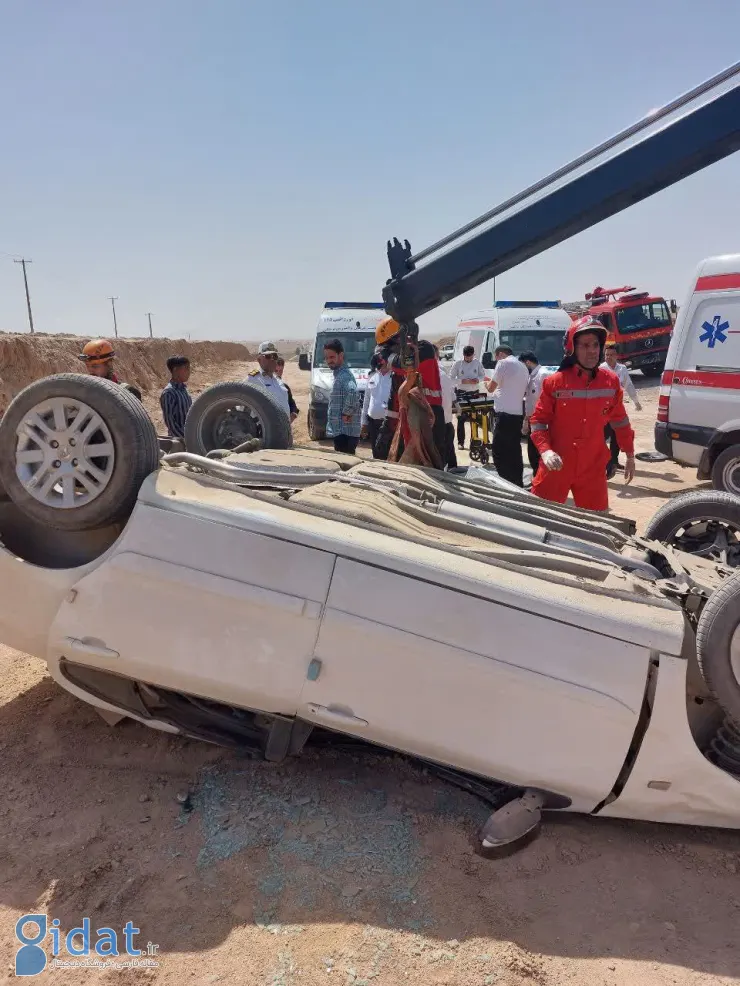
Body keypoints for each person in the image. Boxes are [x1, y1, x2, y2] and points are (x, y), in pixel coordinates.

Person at [530, 319, 635, 511]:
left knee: (597, 524)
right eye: (585, 345)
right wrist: (546, 451)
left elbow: (620, 421)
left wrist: (629, 454)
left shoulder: (611, 382)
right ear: (572, 348)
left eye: (596, 345)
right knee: (540, 519)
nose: (593, 351)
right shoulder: (554, 383)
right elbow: (538, 422)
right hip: (556, 465)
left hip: (592, 468)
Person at [486, 345, 529, 486]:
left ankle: (505, 482)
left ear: (500, 354)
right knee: (514, 451)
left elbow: (491, 387)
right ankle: (517, 482)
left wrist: (486, 383)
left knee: (498, 451)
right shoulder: (523, 367)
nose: (496, 360)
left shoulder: (503, 363)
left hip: (504, 415)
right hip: (517, 415)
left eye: (496, 357)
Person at [601, 342, 643, 479]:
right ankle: (606, 462)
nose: (608, 357)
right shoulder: (600, 369)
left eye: (611, 355)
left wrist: (636, 402)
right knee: (601, 437)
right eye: (606, 355)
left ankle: (614, 461)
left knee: (616, 437)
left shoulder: (622, 369)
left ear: (617, 356)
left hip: (617, 409)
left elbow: (629, 385)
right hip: (603, 412)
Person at [324, 338, 361, 455]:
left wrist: (347, 413)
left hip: (346, 433)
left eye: (332, 357)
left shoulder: (343, 376)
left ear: (341, 355)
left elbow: (353, 392)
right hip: (342, 432)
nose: (329, 361)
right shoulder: (339, 375)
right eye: (327, 358)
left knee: (345, 467)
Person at [449, 345, 486, 448]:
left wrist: (478, 380)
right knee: (461, 418)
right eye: (467, 357)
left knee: (474, 417)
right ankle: (461, 442)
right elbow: (450, 378)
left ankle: (474, 441)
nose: (468, 359)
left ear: (473, 355)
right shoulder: (457, 364)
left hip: (474, 392)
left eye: (470, 357)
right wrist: (461, 381)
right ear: (464, 355)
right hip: (461, 392)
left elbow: (483, 375)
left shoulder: (477, 363)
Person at [519, 351, 549, 477]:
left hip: (542, 422)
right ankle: (537, 477)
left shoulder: (544, 375)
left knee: (539, 453)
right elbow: (530, 399)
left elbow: (547, 399)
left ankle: (540, 479)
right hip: (532, 420)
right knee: (532, 452)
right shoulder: (531, 376)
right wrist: (526, 419)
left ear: (527, 362)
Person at [245, 341, 292, 418]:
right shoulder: (252, 380)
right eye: (268, 356)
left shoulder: (278, 380)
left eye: (275, 356)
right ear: (259, 360)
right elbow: (242, 409)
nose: (272, 359)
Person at [361, 351, 392, 458]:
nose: (380, 363)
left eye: (382, 360)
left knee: (387, 454)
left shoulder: (394, 377)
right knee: (376, 453)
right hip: (373, 422)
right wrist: (364, 423)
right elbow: (366, 400)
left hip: (388, 423)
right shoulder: (372, 376)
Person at [435, 346, 458, 469]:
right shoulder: (442, 373)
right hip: (445, 421)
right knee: (448, 451)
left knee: (444, 452)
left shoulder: (439, 372)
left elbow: (450, 391)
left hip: (440, 423)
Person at [159, 355, 192, 439]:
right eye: (186, 368)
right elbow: (170, 423)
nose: (189, 372)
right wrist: (185, 439)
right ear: (175, 370)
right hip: (179, 441)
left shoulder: (184, 390)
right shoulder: (169, 393)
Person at [275, 356, 299, 422]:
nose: (278, 374)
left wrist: (293, 414)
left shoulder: (285, 387)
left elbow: (292, 404)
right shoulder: (265, 385)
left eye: (281, 371)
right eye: (276, 371)